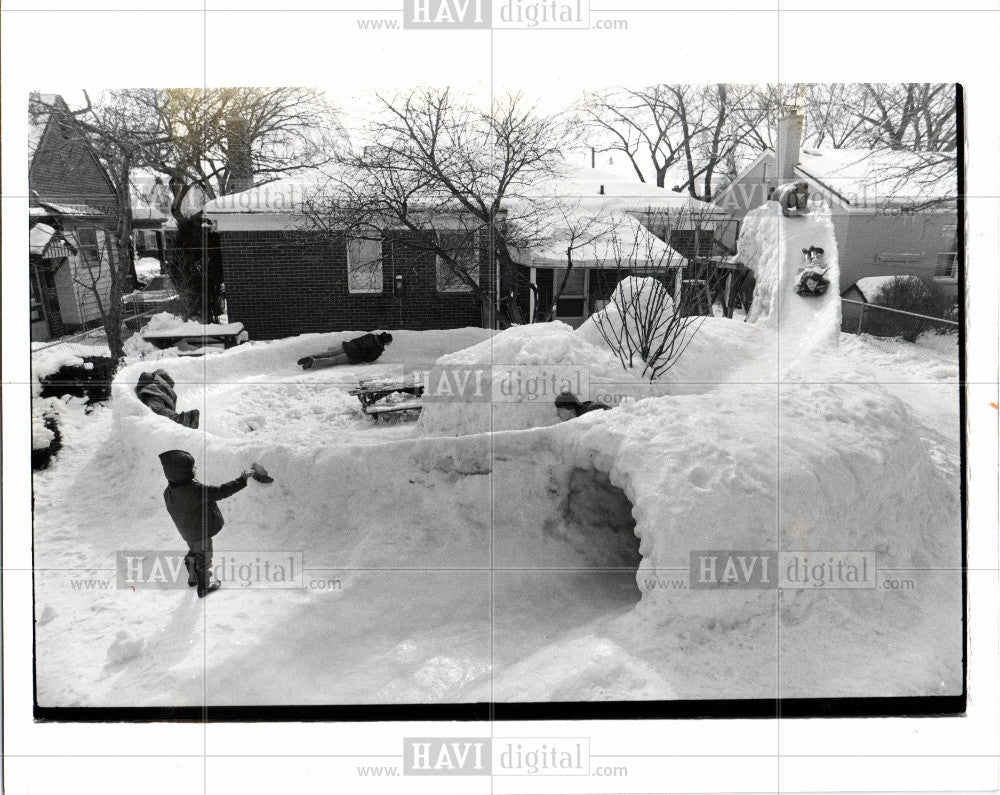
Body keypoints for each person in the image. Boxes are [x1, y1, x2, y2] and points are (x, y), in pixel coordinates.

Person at [158, 450, 257, 597]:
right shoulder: (195, 490)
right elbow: (222, 491)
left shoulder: (169, 491)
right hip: (200, 533)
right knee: (204, 558)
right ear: (183, 473)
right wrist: (242, 479)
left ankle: (193, 578)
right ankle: (204, 587)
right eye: (192, 468)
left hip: (187, 533)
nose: (195, 469)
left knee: (194, 553)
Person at [298, 332, 394, 370]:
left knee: (330, 353)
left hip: (349, 346)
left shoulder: (370, 335)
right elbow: (369, 359)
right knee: (334, 360)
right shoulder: (378, 349)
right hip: (353, 355)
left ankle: (311, 356)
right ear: (386, 342)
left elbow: (358, 339)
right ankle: (313, 363)